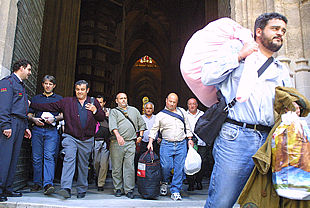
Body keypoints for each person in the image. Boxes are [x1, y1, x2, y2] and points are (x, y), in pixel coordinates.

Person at [200, 13, 292, 208]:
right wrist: (239, 55)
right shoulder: (236, 50)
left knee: (261, 202)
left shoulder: (281, 69)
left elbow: (287, 106)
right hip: (236, 137)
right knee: (221, 202)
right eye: (275, 29)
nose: (280, 34)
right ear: (258, 31)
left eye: (283, 31)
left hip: (268, 142)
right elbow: (207, 76)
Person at [30, 80, 106, 199]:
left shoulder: (93, 101)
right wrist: (31, 104)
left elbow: (101, 117)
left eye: (82, 89)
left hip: (87, 139)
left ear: (87, 90)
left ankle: (81, 188)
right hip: (70, 137)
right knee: (69, 158)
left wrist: (95, 110)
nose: (79, 92)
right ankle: (66, 188)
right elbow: (50, 106)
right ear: (75, 90)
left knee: (83, 164)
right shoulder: (67, 102)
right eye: (77, 89)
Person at [147, 93, 194, 201]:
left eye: (174, 102)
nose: (172, 104)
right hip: (166, 144)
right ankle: (164, 181)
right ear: (166, 100)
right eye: (170, 101)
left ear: (177, 103)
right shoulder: (160, 115)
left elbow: (188, 127)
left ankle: (175, 190)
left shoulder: (182, 112)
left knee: (179, 168)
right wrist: (150, 142)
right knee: (166, 166)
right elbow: (154, 129)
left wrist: (190, 139)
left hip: (181, 143)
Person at [0, 60, 32, 202]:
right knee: (5, 158)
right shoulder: (8, 83)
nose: (30, 73)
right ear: (21, 68)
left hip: (19, 124)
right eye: (29, 69)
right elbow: (3, 106)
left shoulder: (21, 85)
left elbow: (22, 108)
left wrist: (25, 126)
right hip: (11, 123)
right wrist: (6, 125)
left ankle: (8, 188)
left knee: (13, 158)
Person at [28, 75, 63, 195]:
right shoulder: (36, 99)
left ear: (54, 86)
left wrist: (54, 118)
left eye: (50, 84)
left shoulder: (59, 99)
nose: (48, 86)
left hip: (51, 131)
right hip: (37, 129)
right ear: (43, 84)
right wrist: (34, 120)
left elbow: (63, 114)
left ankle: (48, 184)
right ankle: (37, 183)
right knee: (37, 157)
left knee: (49, 156)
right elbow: (29, 114)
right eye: (46, 83)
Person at [109, 92, 146, 199]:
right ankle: (118, 188)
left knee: (129, 166)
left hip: (130, 142)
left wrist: (141, 136)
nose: (123, 100)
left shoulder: (134, 110)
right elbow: (113, 125)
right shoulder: (114, 112)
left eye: (125, 98)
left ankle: (129, 189)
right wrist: (118, 136)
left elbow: (141, 124)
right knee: (117, 167)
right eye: (121, 98)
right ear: (117, 101)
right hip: (117, 143)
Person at [185, 98, 212, 191]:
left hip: (201, 142)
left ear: (197, 105)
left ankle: (199, 181)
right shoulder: (184, 115)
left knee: (202, 162)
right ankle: (191, 183)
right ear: (187, 105)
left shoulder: (202, 114)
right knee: (189, 161)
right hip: (189, 142)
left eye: (193, 104)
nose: (192, 106)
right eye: (190, 104)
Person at [93, 95, 110, 191]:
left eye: (101, 102)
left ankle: (101, 183)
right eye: (97, 102)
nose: (99, 104)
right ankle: (96, 175)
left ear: (104, 103)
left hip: (105, 141)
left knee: (104, 163)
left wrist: (109, 117)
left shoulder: (109, 112)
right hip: (95, 140)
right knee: (96, 162)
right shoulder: (92, 111)